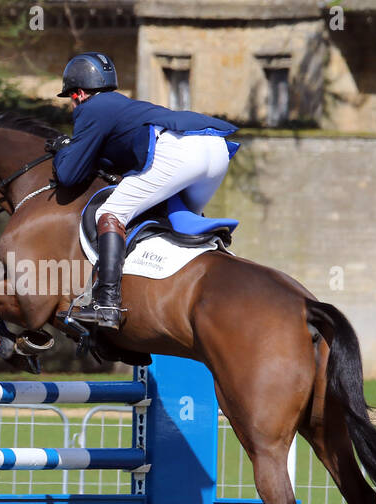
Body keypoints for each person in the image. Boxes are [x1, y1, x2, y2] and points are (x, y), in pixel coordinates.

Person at [46, 51, 238, 331]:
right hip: (214, 149)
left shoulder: (92, 109)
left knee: (111, 212)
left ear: (79, 94)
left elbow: (68, 174)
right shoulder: (122, 106)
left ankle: (107, 304)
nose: (73, 107)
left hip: (180, 152)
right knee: (183, 222)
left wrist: (63, 148)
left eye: (72, 100)